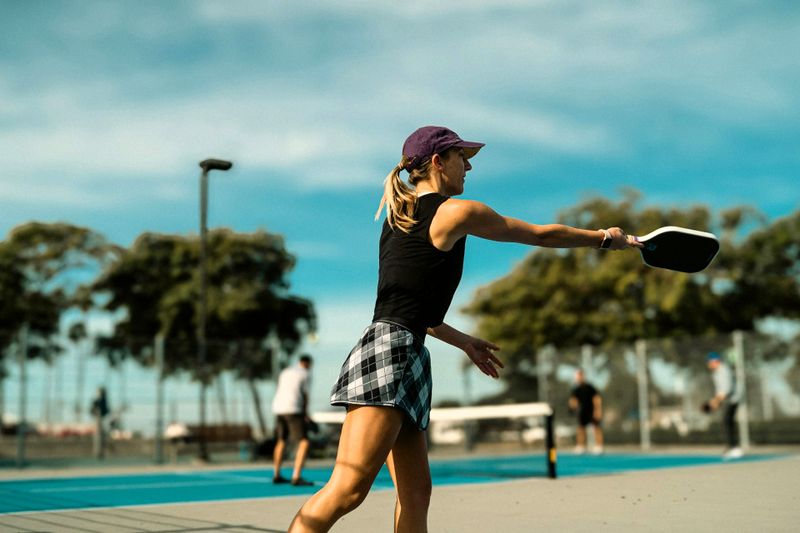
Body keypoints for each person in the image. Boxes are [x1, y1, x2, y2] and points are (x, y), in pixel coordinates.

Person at [288, 125, 641, 532]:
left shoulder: (398, 219)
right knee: (347, 489)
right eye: (462, 157)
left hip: (408, 350)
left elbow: (416, 309)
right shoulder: (455, 212)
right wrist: (602, 238)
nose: (468, 166)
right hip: (391, 352)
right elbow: (538, 235)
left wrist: (464, 342)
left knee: (416, 494)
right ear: (438, 162)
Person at [272, 354, 315, 486]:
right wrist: (306, 414)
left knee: (281, 440)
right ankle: (296, 476)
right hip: (293, 409)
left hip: (278, 408)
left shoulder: (285, 372)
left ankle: (277, 474)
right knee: (304, 442)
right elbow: (305, 395)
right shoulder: (305, 373)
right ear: (307, 363)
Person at [702, 351, 743, 459]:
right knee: (727, 421)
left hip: (734, 399)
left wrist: (714, 402)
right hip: (729, 400)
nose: (708, 364)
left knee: (727, 421)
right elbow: (720, 392)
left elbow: (726, 390)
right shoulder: (716, 373)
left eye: (710, 362)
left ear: (715, 361)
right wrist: (715, 402)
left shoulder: (723, 370)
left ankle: (735, 448)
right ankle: (732, 447)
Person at [568, 369, 604, 455]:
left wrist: (597, 410)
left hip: (592, 411)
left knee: (596, 428)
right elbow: (573, 400)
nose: (579, 378)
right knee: (581, 429)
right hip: (582, 412)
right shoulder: (576, 389)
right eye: (577, 376)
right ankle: (581, 446)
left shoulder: (590, 387)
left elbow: (596, 398)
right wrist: (573, 406)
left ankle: (599, 447)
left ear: (583, 376)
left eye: (580, 376)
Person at [89, 386, 110, 459]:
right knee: (98, 437)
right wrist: (96, 412)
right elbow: (91, 411)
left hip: (103, 420)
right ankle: (97, 453)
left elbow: (107, 411)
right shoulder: (96, 401)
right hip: (98, 420)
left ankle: (101, 452)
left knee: (102, 437)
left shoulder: (104, 401)